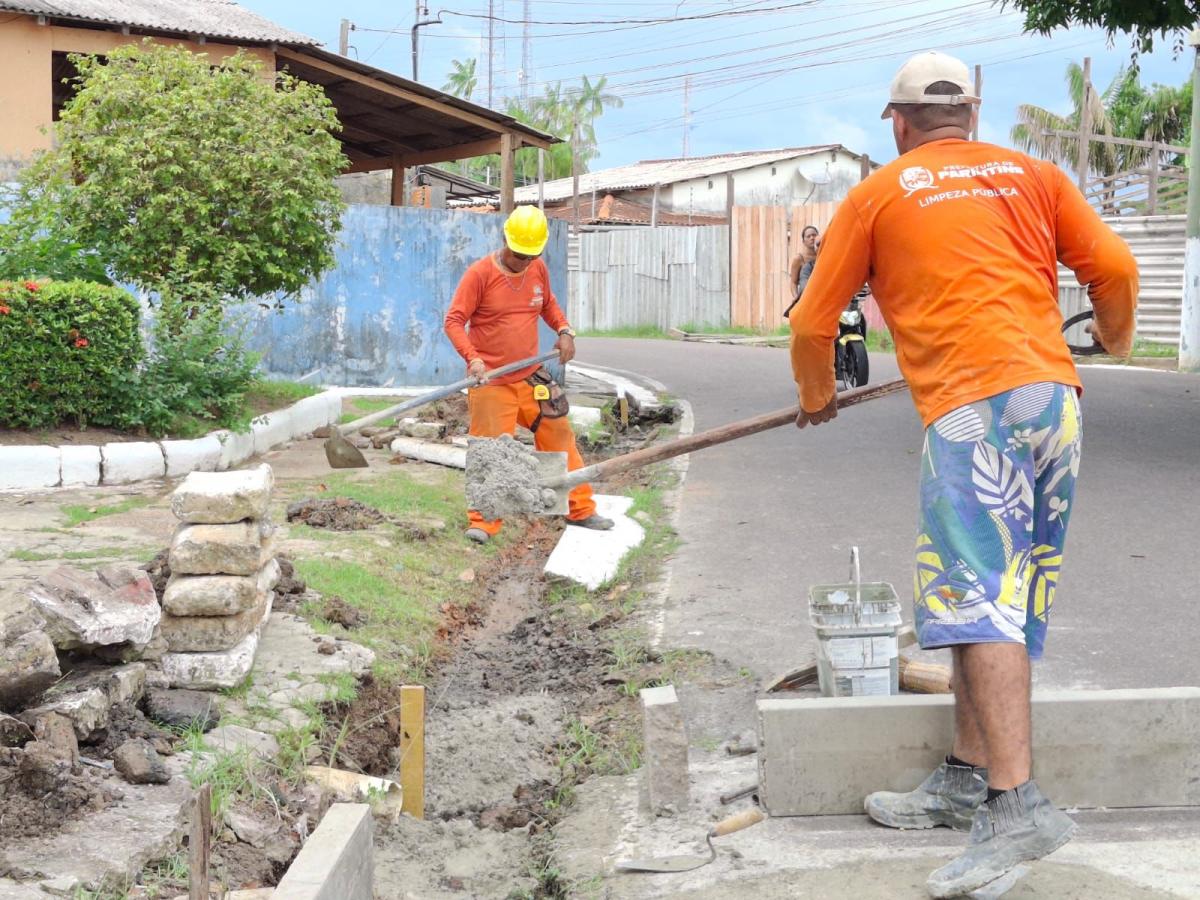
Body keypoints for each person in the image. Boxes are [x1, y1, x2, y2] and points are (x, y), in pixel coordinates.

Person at [788, 51, 1137, 898]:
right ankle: (967, 777)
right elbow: (1117, 271)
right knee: (1005, 599)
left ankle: (1016, 807)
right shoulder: (1033, 176)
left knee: (977, 602)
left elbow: (811, 323)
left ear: (899, 123)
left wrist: (818, 396)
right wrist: (1114, 339)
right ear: (970, 116)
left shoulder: (878, 194)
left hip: (972, 411)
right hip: (1054, 404)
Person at [444, 205, 614, 543]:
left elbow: (548, 305)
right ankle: (483, 523)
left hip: (531, 375)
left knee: (559, 434)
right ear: (505, 240)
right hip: (492, 381)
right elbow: (453, 321)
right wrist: (473, 359)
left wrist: (565, 330)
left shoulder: (537, 268)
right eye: (519, 254)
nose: (524, 262)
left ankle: (579, 509)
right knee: (490, 451)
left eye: (530, 255)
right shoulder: (480, 274)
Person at [784, 225, 820, 319]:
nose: (812, 238)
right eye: (808, 236)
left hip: (822, 296)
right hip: (806, 298)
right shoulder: (799, 259)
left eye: (814, 235)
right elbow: (793, 282)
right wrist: (796, 297)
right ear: (804, 241)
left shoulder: (823, 255)